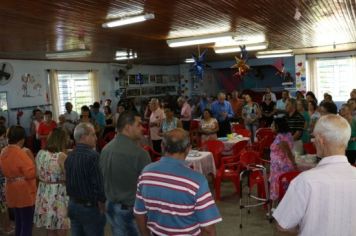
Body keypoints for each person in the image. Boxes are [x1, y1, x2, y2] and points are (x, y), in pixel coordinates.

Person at [273, 114, 356, 236]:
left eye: (314, 138)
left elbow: (283, 227)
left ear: (321, 140)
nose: (313, 142)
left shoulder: (305, 181)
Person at [134, 128, 222, 236]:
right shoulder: (197, 181)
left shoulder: (145, 173)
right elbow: (208, 228)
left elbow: (139, 214)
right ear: (188, 149)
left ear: (162, 146)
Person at [100, 111, 151, 236]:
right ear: (128, 127)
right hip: (131, 210)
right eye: (138, 125)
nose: (143, 128)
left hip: (111, 206)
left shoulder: (106, 149)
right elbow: (149, 188)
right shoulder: (140, 154)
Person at [65, 123, 106, 236]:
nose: (96, 138)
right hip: (89, 208)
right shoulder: (93, 156)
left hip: (73, 205)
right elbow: (99, 184)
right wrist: (102, 203)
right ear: (83, 137)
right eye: (93, 135)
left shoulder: (69, 156)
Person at [0, 126, 36, 236]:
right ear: (22, 138)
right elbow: (30, 173)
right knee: (27, 223)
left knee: (19, 220)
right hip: (23, 191)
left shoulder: (4, 151)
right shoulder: (20, 152)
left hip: (11, 188)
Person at [33, 128, 70, 236]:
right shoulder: (61, 156)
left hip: (44, 192)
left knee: (50, 226)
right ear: (62, 140)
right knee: (61, 225)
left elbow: (36, 174)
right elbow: (69, 177)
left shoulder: (40, 153)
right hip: (58, 193)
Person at [269, 118, 295, 209]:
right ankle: (279, 207)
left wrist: (294, 164)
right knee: (282, 186)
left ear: (277, 126)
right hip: (282, 165)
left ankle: (276, 209)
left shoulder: (280, 137)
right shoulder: (288, 134)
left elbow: (288, 152)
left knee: (277, 186)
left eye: (272, 125)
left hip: (280, 167)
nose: (271, 126)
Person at [0, 125, 14, 235]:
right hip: (1, 176)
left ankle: (4, 225)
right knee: (3, 203)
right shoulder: (3, 142)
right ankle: (7, 226)